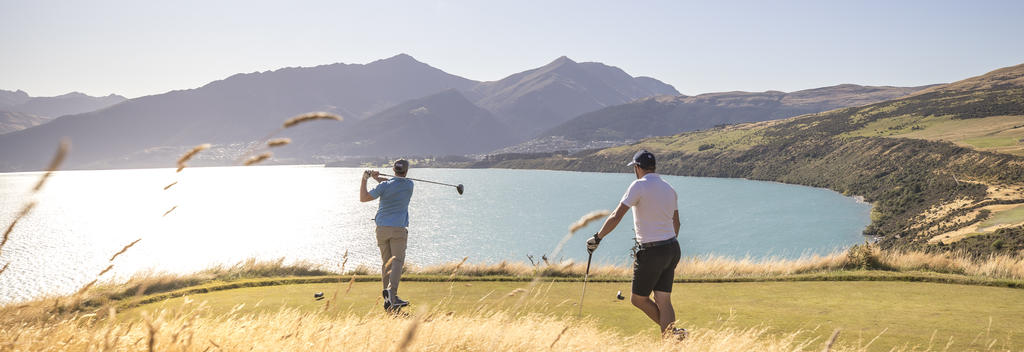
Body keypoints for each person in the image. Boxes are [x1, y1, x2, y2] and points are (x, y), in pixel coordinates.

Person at [586, 149, 686, 338]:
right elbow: (677, 223)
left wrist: (597, 237)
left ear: (637, 168)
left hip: (652, 251)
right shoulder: (669, 188)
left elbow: (616, 216)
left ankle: (674, 334)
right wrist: (668, 245)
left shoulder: (638, 186)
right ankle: (675, 338)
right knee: (663, 300)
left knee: (638, 299)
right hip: (672, 248)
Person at [360, 159, 414, 309]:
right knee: (397, 262)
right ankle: (392, 294)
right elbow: (395, 183)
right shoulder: (410, 185)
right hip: (398, 229)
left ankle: (388, 301)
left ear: (393, 169)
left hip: (382, 229)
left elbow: (363, 198)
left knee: (387, 264)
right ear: (406, 170)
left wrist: (365, 179)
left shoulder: (384, 186)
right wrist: (377, 178)